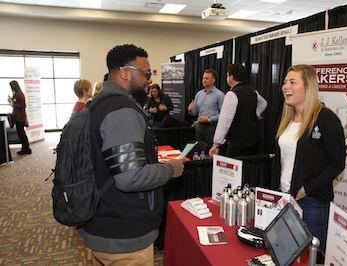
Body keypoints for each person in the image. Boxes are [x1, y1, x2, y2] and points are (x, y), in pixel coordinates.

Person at [79, 44, 184, 265]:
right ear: (125, 72)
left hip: (104, 222)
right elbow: (130, 177)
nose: (148, 79)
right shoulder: (122, 111)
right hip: (123, 236)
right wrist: (171, 168)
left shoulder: (97, 104)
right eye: (145, 73)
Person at [271, 64, 345, 254]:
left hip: (312, 202)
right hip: (285, 198)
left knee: (311, 257)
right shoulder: (287, 117)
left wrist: (306, 190)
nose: (285, 86)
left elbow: (337, 164)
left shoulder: (326, 119)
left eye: (292, 82)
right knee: (286, 253)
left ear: (308, 87)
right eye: (285, 82)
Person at [209, 64, 267, 157]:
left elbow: (224, 121)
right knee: (250, 169)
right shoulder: (252, 91)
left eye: (227, 75)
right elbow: (264, 103)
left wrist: (216, 143)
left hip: (238, 143)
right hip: (254, 140)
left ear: (231, 77)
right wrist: (255, 115)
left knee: (235, 170)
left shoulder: (231, 94)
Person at [188, 69, 225, 150]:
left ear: (213, 80)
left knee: (210, 154)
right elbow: (194, 113)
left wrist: (208, 119)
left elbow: (223, 115)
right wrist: (190, 109)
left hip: (212, 128)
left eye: (207, 78)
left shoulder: (219, 95)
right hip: (199, 128)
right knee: (199, 153)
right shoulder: (199, 94)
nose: (204, 80)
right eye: (203, 78)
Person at [8, 80, 31, 155]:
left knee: (22, 134)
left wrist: (13, 104)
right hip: (18, 116)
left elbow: (23, 106)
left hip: (20, 117)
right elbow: (16, 103)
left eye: (11, 86)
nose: (11, 88)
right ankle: (24, 148)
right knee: (20, 134)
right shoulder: (16, 93)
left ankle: (27, 149)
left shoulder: (20, 94)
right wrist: (11, 101)